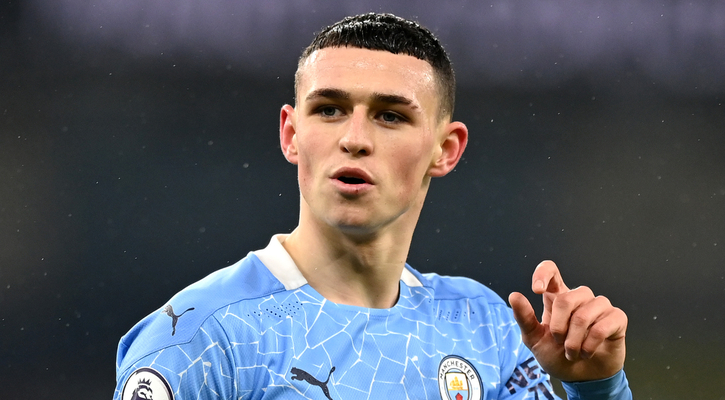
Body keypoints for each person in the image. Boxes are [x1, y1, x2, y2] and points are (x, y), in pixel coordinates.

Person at [114, 13, 631, 400]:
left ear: (445, 150)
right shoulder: (199, 339)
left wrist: (598, 388)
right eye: (330, 110)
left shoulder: (484, 328)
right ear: (291, 135)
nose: (355, 139)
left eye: (389, 116)